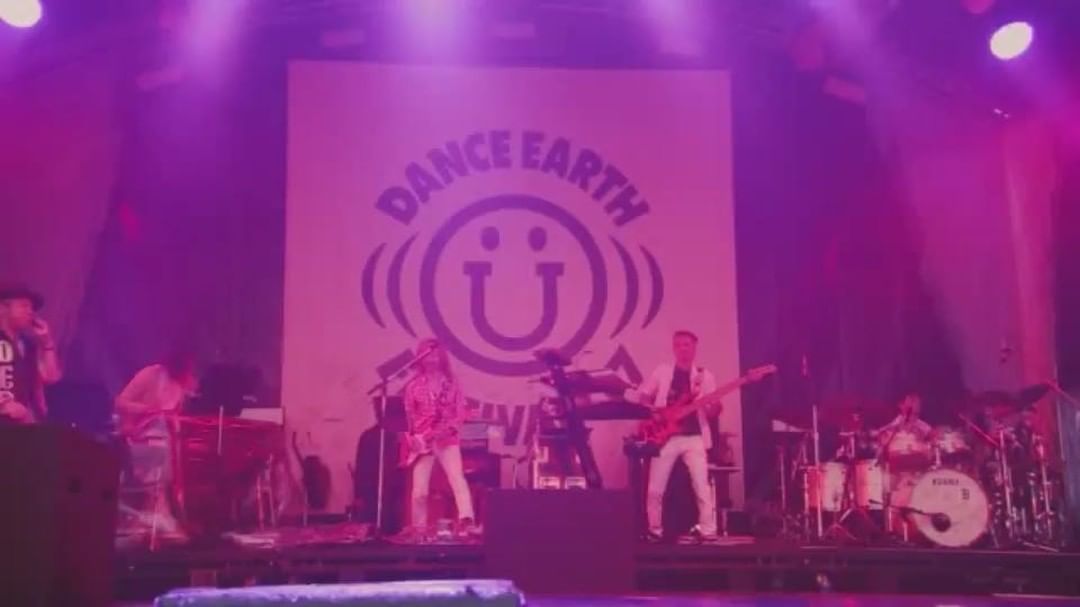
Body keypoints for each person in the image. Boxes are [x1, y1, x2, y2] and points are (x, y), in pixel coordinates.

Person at [631, 330, 720, 542]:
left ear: (694, 347)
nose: (682, 349)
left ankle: (708, 530)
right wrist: (653, 412)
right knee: (655, 489)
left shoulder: (705, 376)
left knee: (701, 485)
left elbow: (713, 412)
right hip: (666, 436)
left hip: (694, 437)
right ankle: (655, 529)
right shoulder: (662, 371)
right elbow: (643, 394)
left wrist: (712, 407)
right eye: (678, 345)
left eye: (686, 344)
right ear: (673, 348)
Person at [113, 347, 199, 544]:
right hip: (138, 436)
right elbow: (120, 403)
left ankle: (161, 513)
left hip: (164, 440)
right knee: (162, 444)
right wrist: (148, 410)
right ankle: (157, 514)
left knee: (179, 451)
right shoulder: (151, 374)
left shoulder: (181, 384)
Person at [400, 338, 478, 541]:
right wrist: (413, 440)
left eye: (435, 354)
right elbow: (408, 418)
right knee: (419, 491)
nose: (431, 358)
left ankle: (467, 522)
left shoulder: (451, 384)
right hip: (423, 443)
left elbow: (461, 412)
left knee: (457, 480)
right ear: (420, 357)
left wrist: (449, 428)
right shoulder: (413, 386)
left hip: (447, 439)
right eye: (427, 354)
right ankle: (418, 530)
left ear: (442, 356)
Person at [0, 284, 62, 424]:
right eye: (24, 306)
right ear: (3, 308)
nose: (30, 312)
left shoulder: (28, 344)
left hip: (25, 423)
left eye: (32, 308)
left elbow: (51, 377)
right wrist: (4, 404)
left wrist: (47, 343)